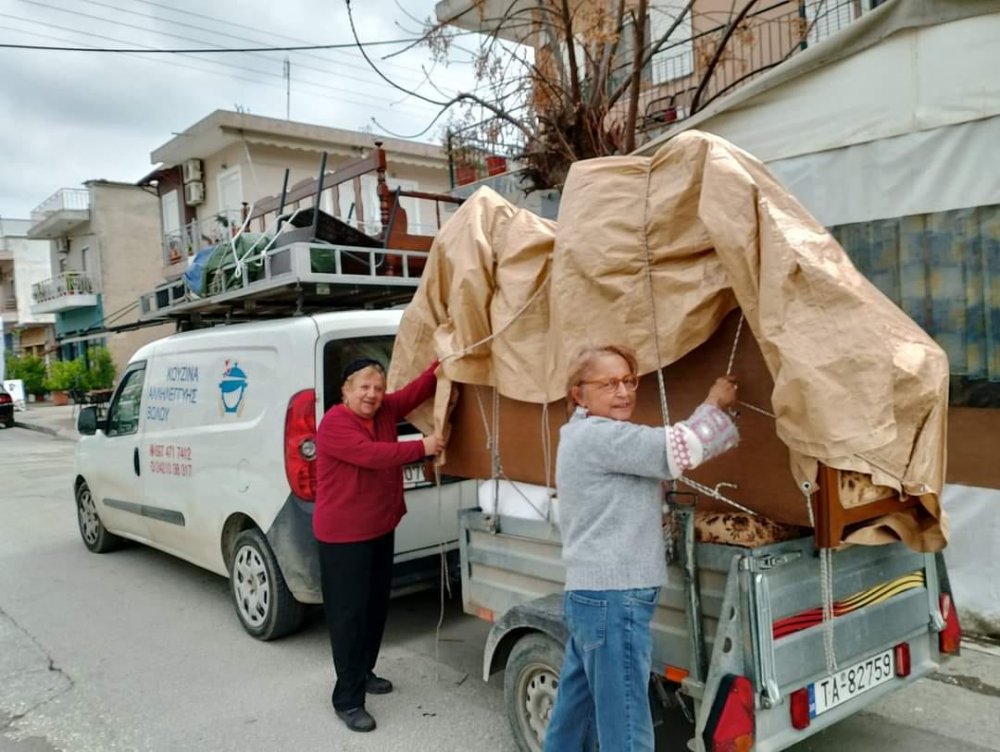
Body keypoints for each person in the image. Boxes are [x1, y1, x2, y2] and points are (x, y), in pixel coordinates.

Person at [544, 344, 740, 752]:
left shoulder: (581, 433)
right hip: (614, 599)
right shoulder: (601, 435)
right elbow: (678, 449)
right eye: (609, 383)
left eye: (629, 381)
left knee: (574, 718)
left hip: (592, 597)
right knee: (627, 728)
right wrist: (714, 403)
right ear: (579, 394)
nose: (624, 391)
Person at [314, 357, 445, 733]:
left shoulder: (386, 408)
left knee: (374, 609)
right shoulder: (335, 424)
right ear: (346, 390)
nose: (372, 394)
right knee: (349, 617)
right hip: (344, 536)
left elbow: (416, 390)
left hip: (378, 527)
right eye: (364, 387)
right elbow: (373, 456)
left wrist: (443, 361)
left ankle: (364, 671)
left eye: (378, 386)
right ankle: (348, 700)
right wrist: (425, 445)